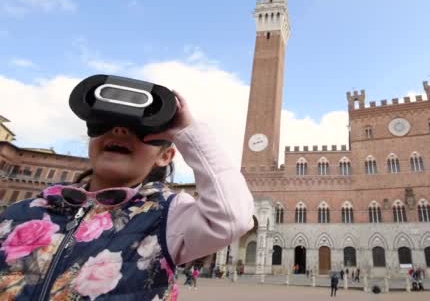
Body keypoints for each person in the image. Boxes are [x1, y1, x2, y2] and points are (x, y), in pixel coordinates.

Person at [0, 88, 255, 299]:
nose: (120, 131)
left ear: (165, 155)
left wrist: (188, 132)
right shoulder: (21, 213)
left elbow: (233, 217)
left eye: (141, 130)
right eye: (107, 124)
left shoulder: (166, 216)